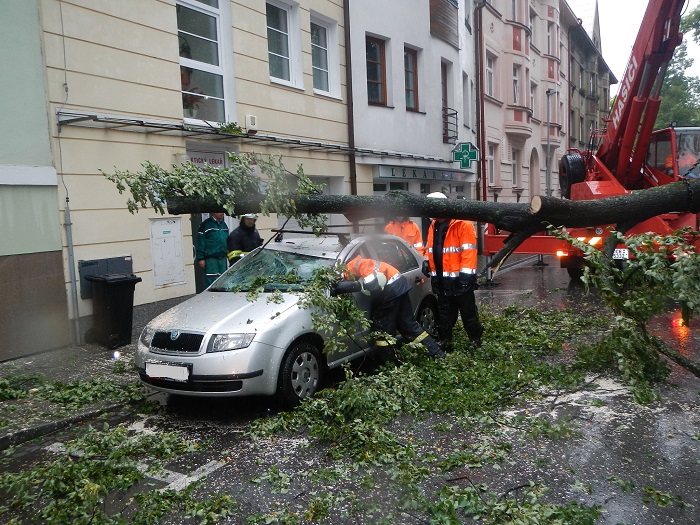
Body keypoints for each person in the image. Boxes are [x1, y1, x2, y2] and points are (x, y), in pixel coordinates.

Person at [333, 254, 445, 359]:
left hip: (390, 290)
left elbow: (372, 283)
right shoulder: (355, 265)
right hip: (399, 286)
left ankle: (389, 364)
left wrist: (362, 286)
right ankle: (437, 354)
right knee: (409, 326)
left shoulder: (355, 264)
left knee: (383, 332)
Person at [424, 191, 483, 350]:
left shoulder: (463, 224)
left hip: (460, 279)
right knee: (445, 314)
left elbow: (469, 252)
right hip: (442, 279)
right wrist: (425, 260)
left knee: (467, 313)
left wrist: (466, 278)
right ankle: (445, 342)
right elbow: (430, 248)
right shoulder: (433, 225)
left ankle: (475, 340)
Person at [195, 212, 229, 287]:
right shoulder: (206, 225)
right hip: (211, 259)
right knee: (212, 282)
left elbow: (227, 241)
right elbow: (200, 242)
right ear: (213, 212)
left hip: (222, 258)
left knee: (223, 281)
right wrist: (200, 258)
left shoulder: (224, 225)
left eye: (222, 211)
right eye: (219, 211)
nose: (222, 213)